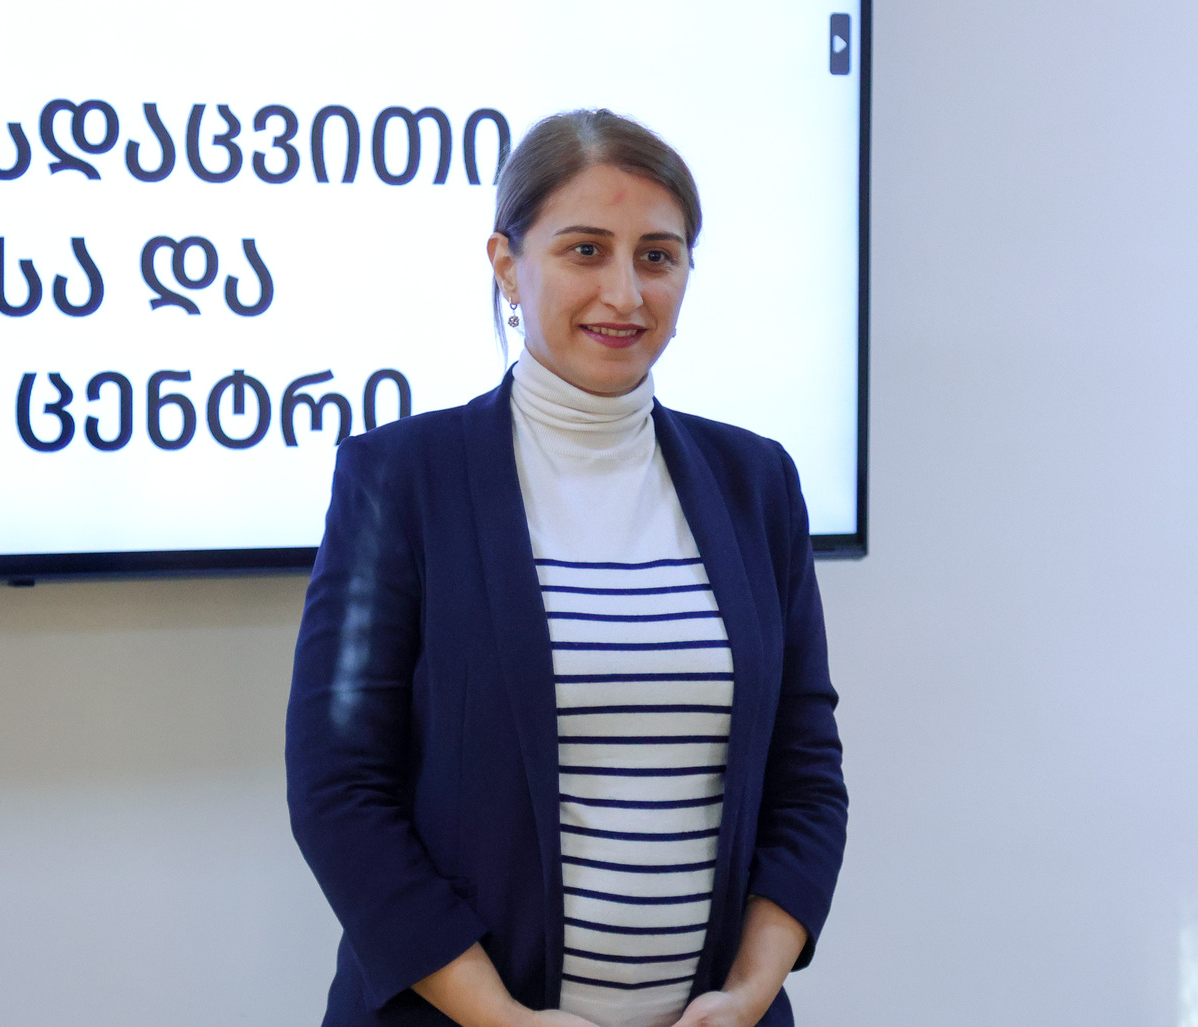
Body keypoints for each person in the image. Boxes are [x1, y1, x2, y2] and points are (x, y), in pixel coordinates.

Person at [287, 109, 847, 1027]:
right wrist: (499, 1018)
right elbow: (337, 788)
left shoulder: (756, 483)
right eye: (585, 250)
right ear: (507, 266)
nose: (624, 293)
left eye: (657, 257)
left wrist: (751, 989)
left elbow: (805, 774)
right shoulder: (399, 480)